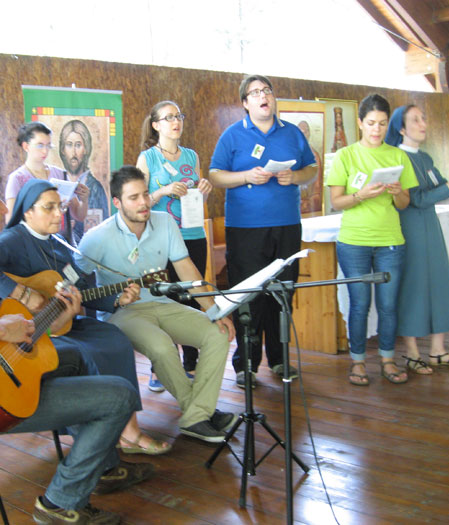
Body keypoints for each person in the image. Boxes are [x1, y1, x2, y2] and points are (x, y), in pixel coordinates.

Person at [0, 163, 153, 524]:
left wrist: (24, 319)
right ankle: (60, 503)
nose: (5, 209)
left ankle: (102, 467)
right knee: (121, 395)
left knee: (74, 358)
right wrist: (2, 330)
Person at [0, 178, 171, 455]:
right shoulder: (14, 239)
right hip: (29, 332)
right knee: (87, 354)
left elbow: (81, 289)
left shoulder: (60, 243)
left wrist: (117, 297)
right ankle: (101, 434)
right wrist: (21, 294)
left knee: (114, 339)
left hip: (63, 324)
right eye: (49, 208)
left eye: (60, 207)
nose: (59, 214)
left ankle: (128, 431)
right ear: (27, 212)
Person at [76, 165, 236, 443]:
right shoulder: (96, 238)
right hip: (122, 314)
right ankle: (199, 413)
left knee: (218, 333)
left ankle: (196, 413)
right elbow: (74, 281)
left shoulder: (164, 222)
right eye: (133, 197)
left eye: (145, 195)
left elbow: (185, 267)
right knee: (162, 346)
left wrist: (213, 311)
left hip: (162, 304)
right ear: (117, 203)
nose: (143, 203)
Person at [209, 74, 317, 389]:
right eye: (255, 92)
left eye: (266, 90)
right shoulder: (232, 135)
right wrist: (245, 176)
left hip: (286, 225)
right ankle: (246, 365)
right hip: (244, 229)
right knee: (248, 295)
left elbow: (311, 168)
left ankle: (280, 358)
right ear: (245, 103)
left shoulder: (292, 133)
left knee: (282, 292)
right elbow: (215, 175)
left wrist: (295, 177)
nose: (262, 96)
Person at [325, 93, 419, 386]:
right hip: (354, 242)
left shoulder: (398, 155)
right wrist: (360, 196)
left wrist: (396, 192)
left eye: (381, 123)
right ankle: (358, 363)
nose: (376, 130)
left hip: (391, 240)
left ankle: (388, 361)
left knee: (389, 305)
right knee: (359, 304)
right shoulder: (346, 155)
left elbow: (404, 204)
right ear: (360, 123)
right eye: (370, 123)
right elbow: (336, 202)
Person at [386, 105, 449, 373]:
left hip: (430, 228)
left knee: (439, 282)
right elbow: (418, 199)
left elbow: (441, 187)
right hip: (410, 229)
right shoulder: (397, 158)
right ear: (401, 128)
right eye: (416, 120)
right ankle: (412, 353)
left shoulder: (424, 157)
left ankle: (438, 350)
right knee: (414, 287)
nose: (423, 123)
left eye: (424, 118)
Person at [136, 100, 213, 391]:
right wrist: (164, 190)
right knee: (163, 300)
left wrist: (203, 190)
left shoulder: (191, 156)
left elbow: (197, 193)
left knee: (193, 298)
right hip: (160, 239)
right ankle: (160, 367)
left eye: (178, 116)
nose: (175, 121)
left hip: (192, 235)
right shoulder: (148, 158)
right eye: (168, 117)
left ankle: (190, 362)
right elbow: (139, 198)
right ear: (156, 125)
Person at [4, 122, 89, 244]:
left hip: (62, 242)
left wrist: (84, 200)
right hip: (32, 243)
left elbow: (79, 215)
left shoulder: (60, 174)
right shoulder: (17, 179)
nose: (45, 151)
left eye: (48, 146)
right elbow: (11, 220)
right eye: (40, 145)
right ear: (26, 146)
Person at [58, 119, 110, 243]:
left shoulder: (95, 188)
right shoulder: (59, 183)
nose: (74, 152)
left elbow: (98, 230)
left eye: (78, 145)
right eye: (69, 145)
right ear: (63, 150)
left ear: (85, 148)